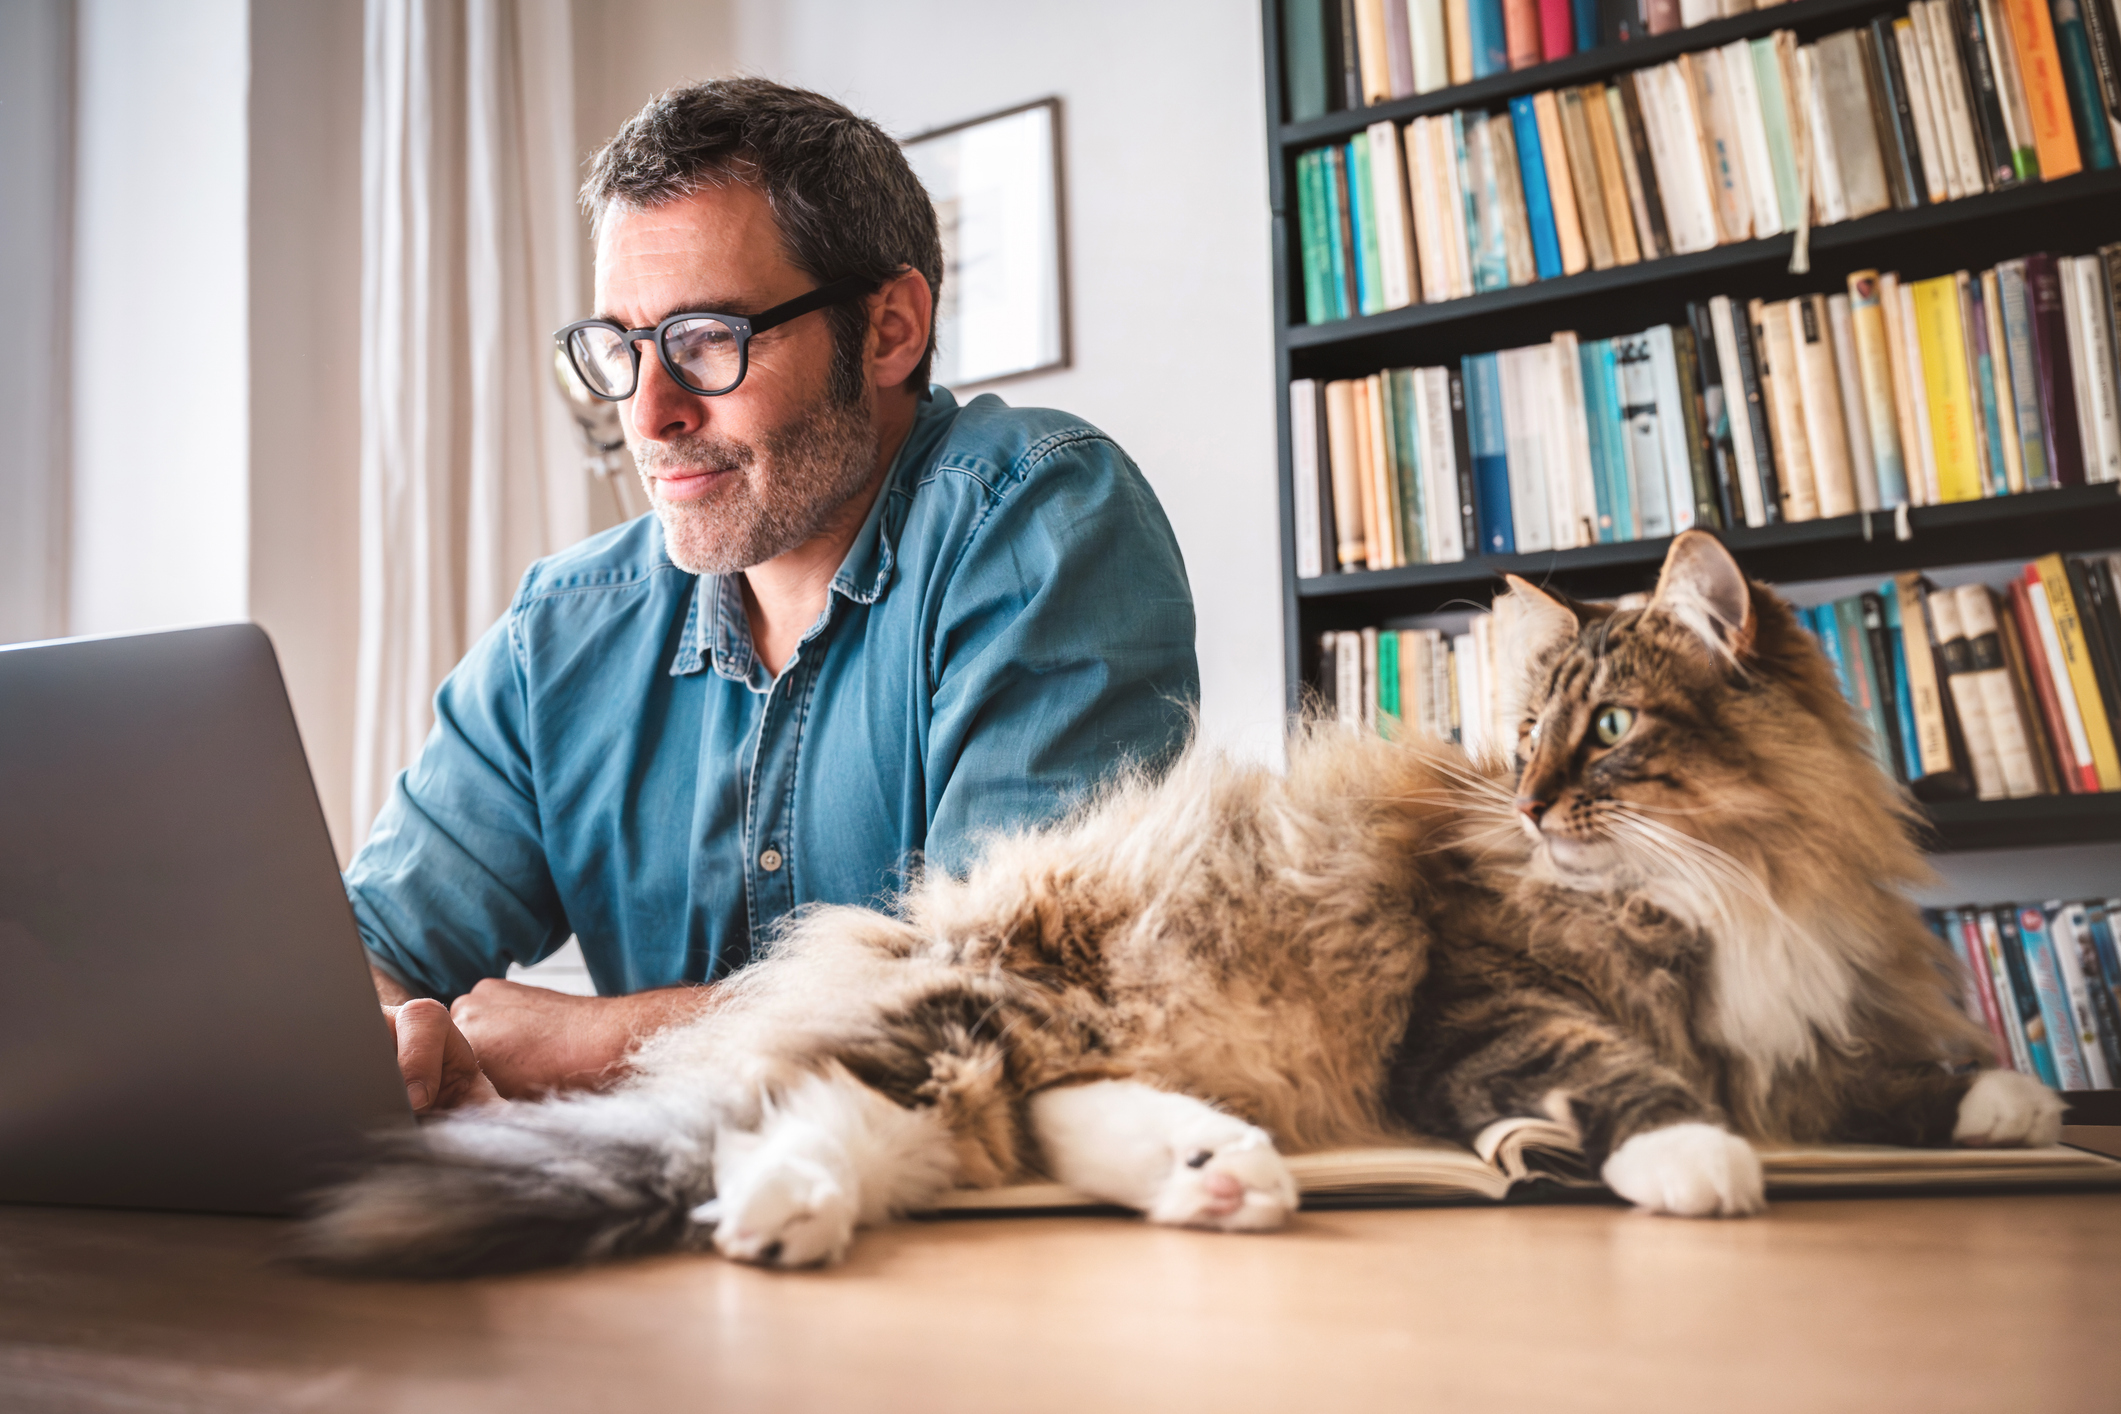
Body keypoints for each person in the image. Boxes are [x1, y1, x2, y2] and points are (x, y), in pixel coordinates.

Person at [349, 78, 1198, 1115]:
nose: (649, 413)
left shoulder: (1039, 519)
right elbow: (369, 949)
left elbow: (1028, 992)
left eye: (706, 339)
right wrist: (390, 1032)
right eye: (622, 346)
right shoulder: (562, 632)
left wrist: (594, 1043)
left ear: (890, 330)